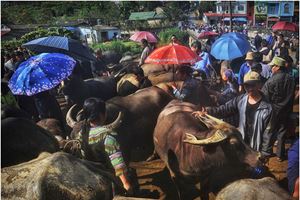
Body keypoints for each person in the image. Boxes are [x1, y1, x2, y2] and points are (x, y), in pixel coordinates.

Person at [194, 71, 273, 156]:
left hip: (257, 144)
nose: (250, 88)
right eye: (247, 85)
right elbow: (225, 109)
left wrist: (265, 152)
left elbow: (268, 133)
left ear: (259, 85)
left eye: (253, 85)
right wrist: (207, 112)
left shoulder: (267, 108)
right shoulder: (241, 100)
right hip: (242, 142)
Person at [79, 98, 132, 193]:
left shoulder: (82, 134)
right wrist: (126, 183)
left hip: (90, 179)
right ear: (102, 115)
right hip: (108, 180)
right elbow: (117, 162)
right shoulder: (108, 136)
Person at [262, 56, 295, 161]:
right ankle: (280, 155)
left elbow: (264, 96)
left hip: (273, 111)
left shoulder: (271, 81)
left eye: (273, 66)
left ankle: (266, 153)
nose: (271, 68)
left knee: (269, 131)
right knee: (282, 132)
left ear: (277, 67)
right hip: (286, 110)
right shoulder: (291, 79)